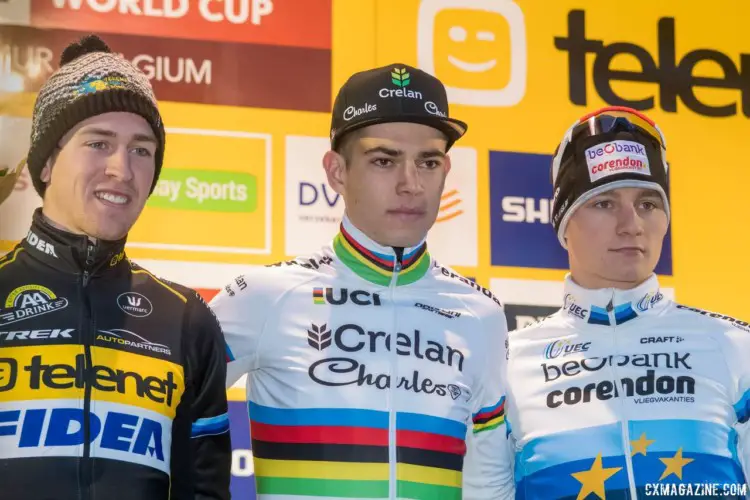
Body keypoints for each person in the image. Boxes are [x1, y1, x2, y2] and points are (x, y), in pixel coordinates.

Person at [210, 63, 514, 499]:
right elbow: (172, 427)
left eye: (428, 161)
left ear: (446, 170)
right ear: (336, 171)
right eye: (384, 160)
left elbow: (487, 482)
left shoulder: (480, 315)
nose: (411, 184)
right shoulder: (265, 298)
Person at [0, 34, 231, 499]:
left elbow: (204, 490)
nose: (121, 170)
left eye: (141, 150)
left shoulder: (186, 319)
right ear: (46, 164)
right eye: (99, 143)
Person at [505, 106, 750, 499]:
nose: (631, 224)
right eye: (604, 203)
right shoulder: (509, 363)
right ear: (564, 222)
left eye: (648, 204)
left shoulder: (734, 345)